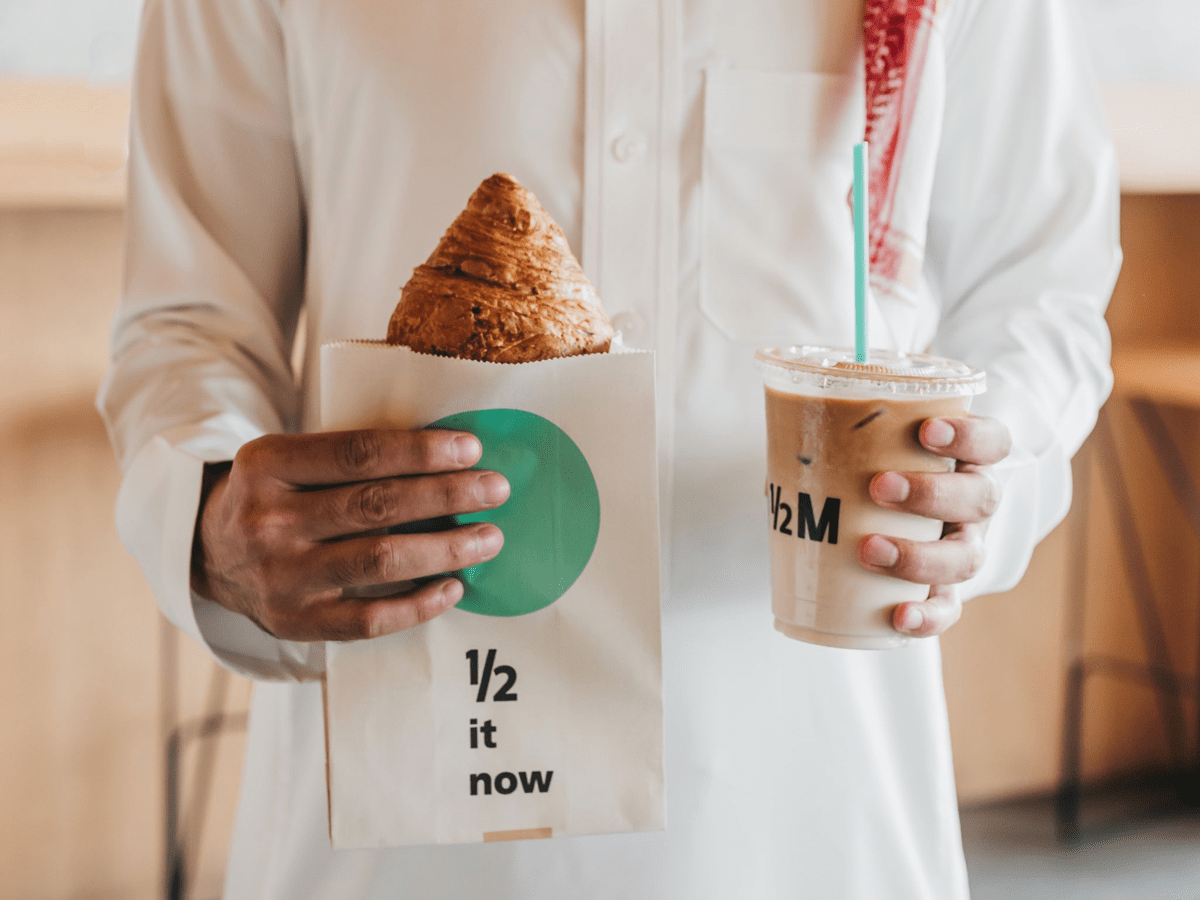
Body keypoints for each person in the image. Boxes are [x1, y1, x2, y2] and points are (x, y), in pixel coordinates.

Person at [97, 0, 1120, 897]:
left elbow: (1041, 293)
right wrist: (215, 514)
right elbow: (188, 321)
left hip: (814, 812)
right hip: (401, 816)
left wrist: (984, 476)